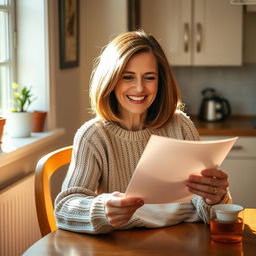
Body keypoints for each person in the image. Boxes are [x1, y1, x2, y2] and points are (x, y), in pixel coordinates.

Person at [54, 30, 231, 234]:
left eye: (149, 77)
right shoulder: (94, 136)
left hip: (185, 236)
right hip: (123, 245)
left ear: (160, 81)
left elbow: (206, 208)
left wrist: (214, 198)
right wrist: (102, 209)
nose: (139, 88)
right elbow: (65, 208)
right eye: (128, 77)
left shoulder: (180, 125)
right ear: (110, 81)